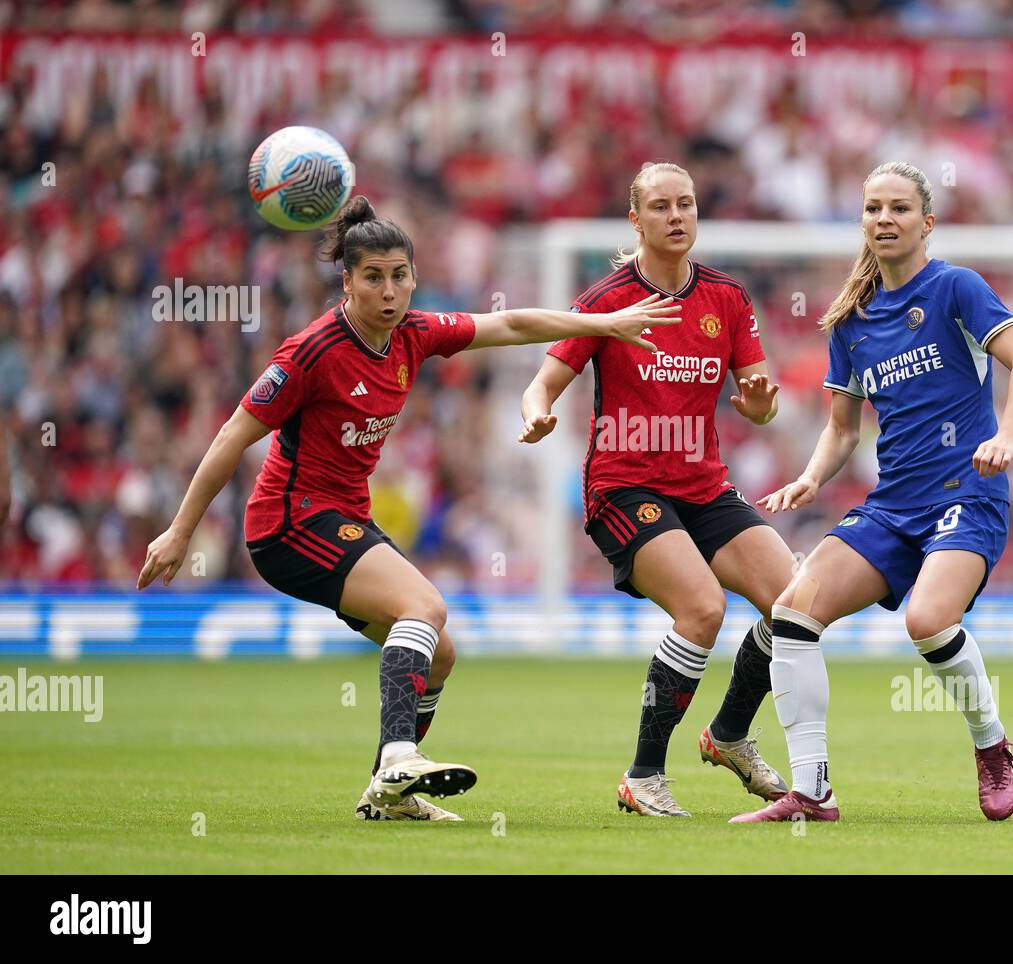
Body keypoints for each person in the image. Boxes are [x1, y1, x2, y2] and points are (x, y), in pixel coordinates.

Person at [137, 196, 680, 822]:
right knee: (424, 605)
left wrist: (602, 324)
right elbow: (233, 434)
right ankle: (398, 757)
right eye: (373, 277)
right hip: (288, 524)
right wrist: (181, 531)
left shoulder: (414, 334)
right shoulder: (310, 352)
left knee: (440, 652)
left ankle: (386, 793)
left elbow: (509, 326)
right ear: (347, 281)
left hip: (343, 519)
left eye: (400, 275)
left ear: (413, 277)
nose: (389, 291)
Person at [731, 162, 1013, 824]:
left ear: (926, 222)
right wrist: (812, 477)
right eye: (873, 208)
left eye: (899, 208)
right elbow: (842, 428)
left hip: (968, 491)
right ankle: (812, 792)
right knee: (791, 614)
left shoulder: (956, 287)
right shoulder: (852, 320)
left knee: (927, 620)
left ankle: (992, 748)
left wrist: (1009, 436)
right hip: (894, 506)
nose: (884, 219)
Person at [519, 162, 796, 817]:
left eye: (687, 205)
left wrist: (758, 404)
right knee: (702, 609)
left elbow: (761, 408)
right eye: (662, 206)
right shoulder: (607, 300)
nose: (677, 217)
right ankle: (643, 776)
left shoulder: (725, 298)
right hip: (623, 487)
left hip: (703, 488)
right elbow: (543, 381)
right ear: (636, 220)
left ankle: (728, 735)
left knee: (796, 604)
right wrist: (535, 412)